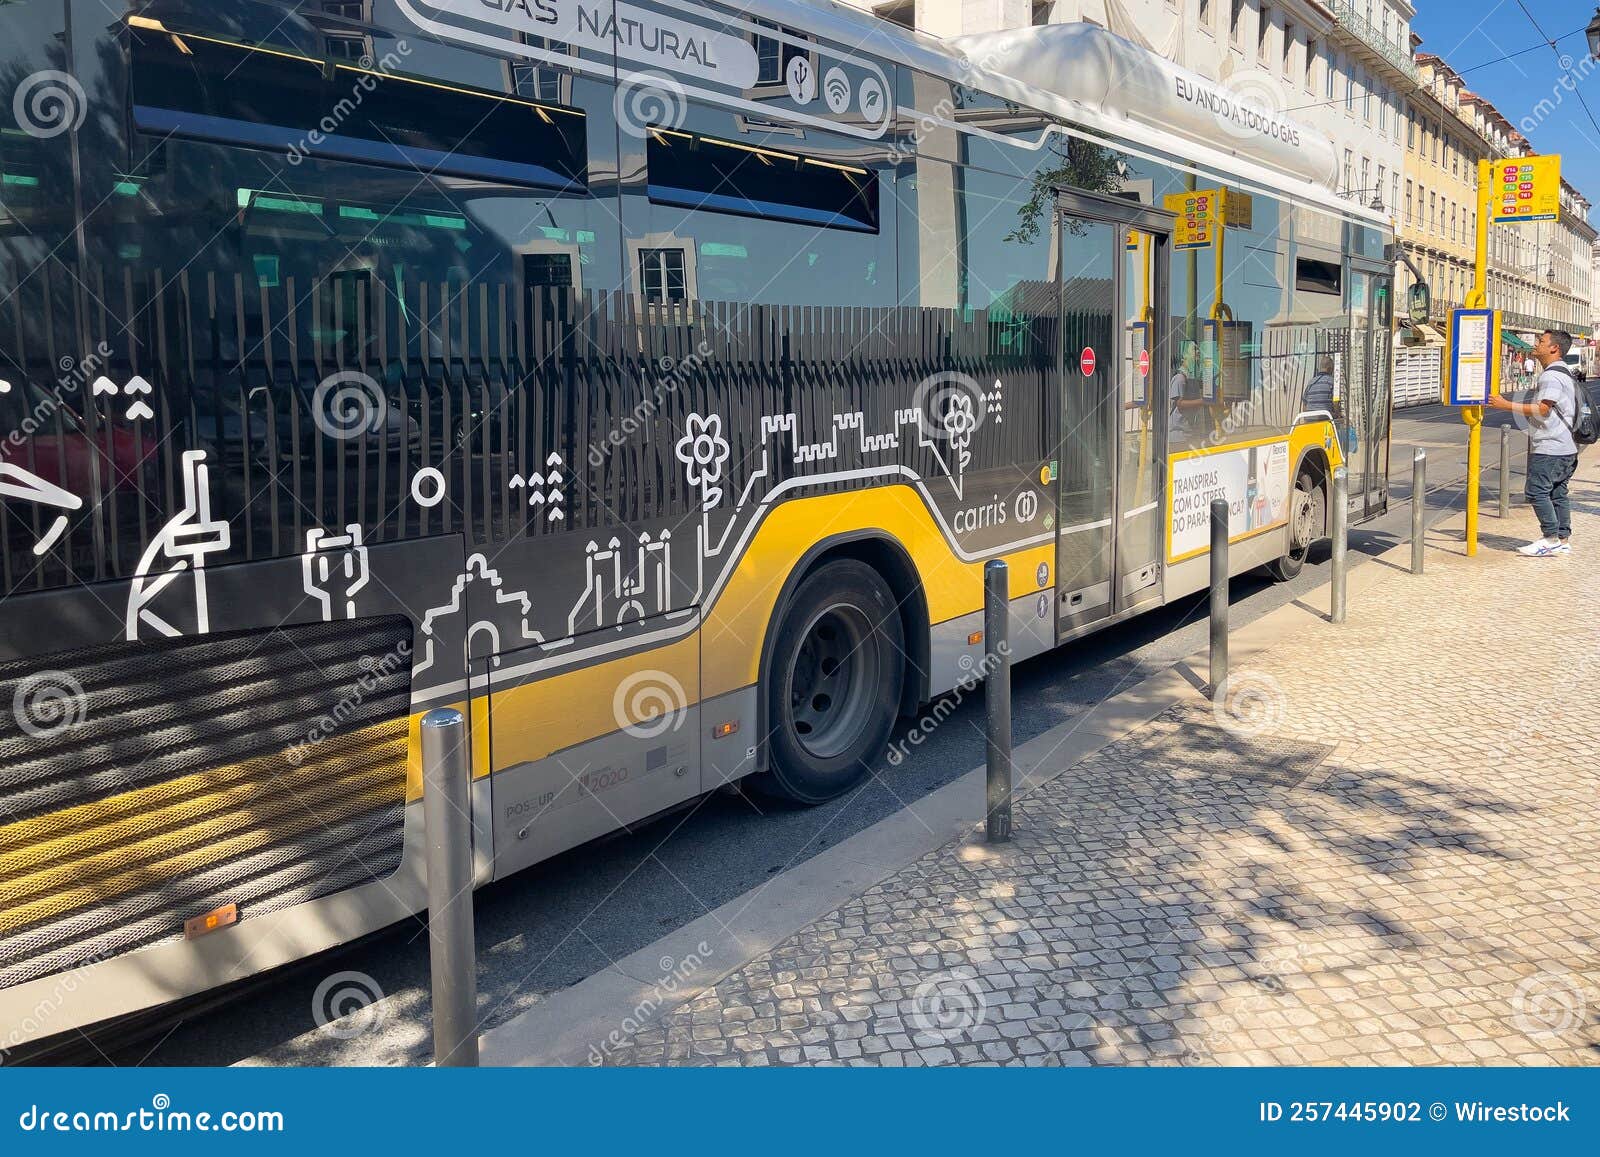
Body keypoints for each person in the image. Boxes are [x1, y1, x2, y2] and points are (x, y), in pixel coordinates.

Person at [1487, 329, 1581, 556]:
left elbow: (1543, 409)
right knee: (1558, 492)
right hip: (1567, 447)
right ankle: (1563, 539)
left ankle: (1549, 539)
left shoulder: (1551, 375)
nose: (1536, 343)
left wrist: (1506, 405)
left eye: (1541, 341)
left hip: (1551, 446)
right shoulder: (1564, 372)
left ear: (1554, 348)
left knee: (1537, 491)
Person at [1301, 354, 1339, 419]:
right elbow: (1335, 403)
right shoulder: (1332, 382)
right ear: (1329, 369)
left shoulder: (1310, 382)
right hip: (1325, 419)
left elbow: (1304, 405)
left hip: (1309, 420)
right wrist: (1337, 414)